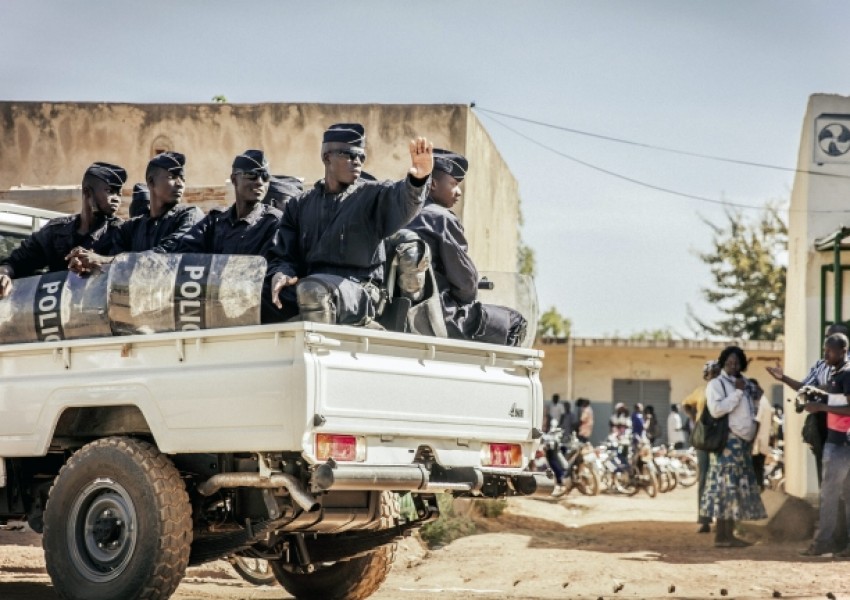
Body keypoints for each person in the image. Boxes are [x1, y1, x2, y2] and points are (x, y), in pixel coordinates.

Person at [266, 123, 433, 325]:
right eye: (349, 155)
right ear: (327, 157)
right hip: (311, 286)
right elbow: (284, 254)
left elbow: (402, 200)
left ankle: (318, 352)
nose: (357, 162)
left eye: (361, 157)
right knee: (254, 296)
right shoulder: (299, 205)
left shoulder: (371, 195)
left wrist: (417, 180)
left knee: (314, 290)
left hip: (360, 292)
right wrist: (282, 273)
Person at [404, 149, 527, 346]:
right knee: (514, 321)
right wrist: (465, 297)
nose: (458, 191)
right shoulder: (440, 219)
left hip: (400, 310)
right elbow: (466, 283)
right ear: (433, 184)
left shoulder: (400, 212)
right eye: (453, 184)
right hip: (438, 313)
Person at [0, 162, 126, 298]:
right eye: (110, 191)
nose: (116, 199)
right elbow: (17, 262)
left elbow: (133, 264)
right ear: (87, 192)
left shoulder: (122, 232)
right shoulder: (56, 231)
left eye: (119, 193)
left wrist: (100, 261)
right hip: (56, 312)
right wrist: (4, 274)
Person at [66, 152, 203, 273]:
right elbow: (113, 269)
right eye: (172, 176)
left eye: (183, 179)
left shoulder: (190, 215)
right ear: (151, 182)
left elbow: (166, 255)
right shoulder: (130, 228)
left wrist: (104, 260)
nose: (180, 184)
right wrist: (85, 265)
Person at [766, 323, 850, 484]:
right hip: (821, 421)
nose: (828, 341)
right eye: (826, 337)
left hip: (843, 421)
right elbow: (805, 387)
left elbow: (834, 387)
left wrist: (817, 390)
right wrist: (783, 378)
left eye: (833, 337)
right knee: (824, 465)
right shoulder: (820, 364)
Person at [700, 345, 766, 548]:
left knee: (735, 489)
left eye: (737, 362)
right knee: (724, 489)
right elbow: (717, 410)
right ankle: (722, 535)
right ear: (722, 363)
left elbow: (757, 402)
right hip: (727, 443)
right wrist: (737, 393)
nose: (733, 365)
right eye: (729, 362)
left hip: (743, 443)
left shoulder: (744, 383)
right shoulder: (716, 384)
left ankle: (730, 534)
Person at [800, 333, 850, 557]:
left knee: (829, 497)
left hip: (840, 444)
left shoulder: (846, 375)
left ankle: (822, 544)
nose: (825, 354)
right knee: (844, 496)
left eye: (829, 351)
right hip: (838, 442)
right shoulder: (836, 375)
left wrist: (820, 408)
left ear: (843, 351)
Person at [176, 150, 282, 255]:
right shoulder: (214, 221)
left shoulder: (273, 222)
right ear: (234, 179)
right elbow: (185, 252)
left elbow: (272, 264)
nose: (259, 182)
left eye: (265, 177)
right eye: (251, 174)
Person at [749, 378, 772, 492]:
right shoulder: (765, 401)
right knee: (759, 469)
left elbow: (757, 422)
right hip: (763, 441)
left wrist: (751, 439)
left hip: (757, 442)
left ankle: (758, 490)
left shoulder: (761, 403)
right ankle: (759, 488)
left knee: (756, 469)